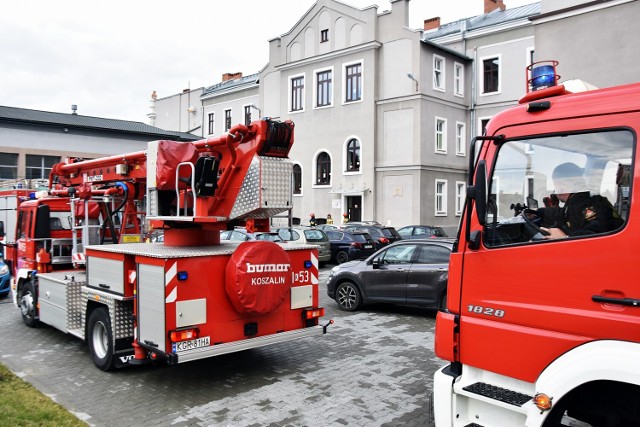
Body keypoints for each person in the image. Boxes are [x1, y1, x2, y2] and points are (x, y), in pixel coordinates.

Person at [541, 162, 622, 239]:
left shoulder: (587, 204)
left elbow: (595, 234)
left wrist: (564, 237)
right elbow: (560, 214)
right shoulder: (577, 201)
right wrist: (537, 212)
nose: (556, 189)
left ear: (562, 185)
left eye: (556, 184)